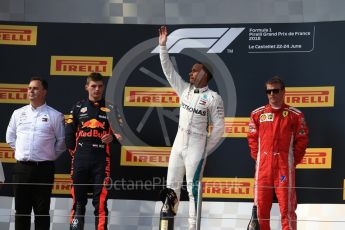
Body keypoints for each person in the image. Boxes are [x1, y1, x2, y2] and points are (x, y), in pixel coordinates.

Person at [159, 26, 225, 230]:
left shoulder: (214, 98)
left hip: (197, 147)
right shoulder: (184, 90)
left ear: (204, 74)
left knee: (193, 190)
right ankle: (167, 226)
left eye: (194, 70)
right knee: (171, 187)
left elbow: (219, 129)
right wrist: (162, 47)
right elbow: (168, 71)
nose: (190, 72)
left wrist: (205, 150)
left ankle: (191, 228)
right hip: (179, 144)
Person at [247, 76, 309, 230]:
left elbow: (302, 140)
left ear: (283, 92)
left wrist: (290, 161)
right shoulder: (257, 114)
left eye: (275, 90)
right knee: (261, 211)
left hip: (283, 169)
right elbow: (252, 139)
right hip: (263, 169)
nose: (272, 94)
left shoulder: (295, 115)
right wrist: (260, 158)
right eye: (268, 91)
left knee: (287, 210)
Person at [6, 77, 66, 230]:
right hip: (21, 169)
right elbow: (10, 138)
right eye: (29, 88)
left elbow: (62, 142)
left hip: (44, 169)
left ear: (44, 92)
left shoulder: (55, 115)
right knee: (21, 211)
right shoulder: (17, 113)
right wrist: (22, 152)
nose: (31, 91)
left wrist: (49, 155)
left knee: (42, 212)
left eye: (35, 88)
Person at [66, 72, 117, 230]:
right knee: (78, 201)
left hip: (102, 160)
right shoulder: (77, 107)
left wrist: (112, 137)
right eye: (93, 86)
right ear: (87, 87)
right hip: (80, 158)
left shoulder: (111, 109)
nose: (97, 89)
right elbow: (68, 132)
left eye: (100, 86)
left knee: (100, 203)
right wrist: (74, 152)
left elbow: (121, 133)